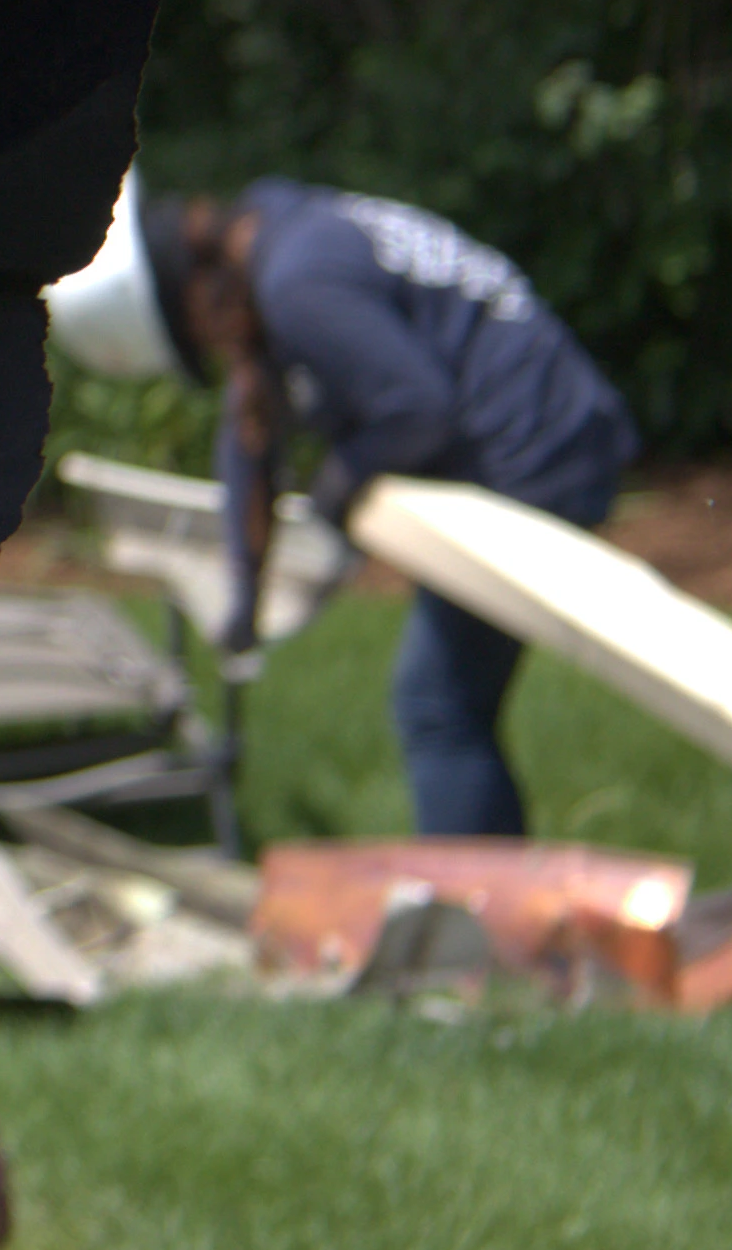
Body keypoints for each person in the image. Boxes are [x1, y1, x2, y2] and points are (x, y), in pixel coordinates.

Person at [54, 168, 644, 838]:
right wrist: (245, 598)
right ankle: (489, 902)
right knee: (448, 702)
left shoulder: (296, 284)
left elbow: (419, 413)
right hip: (556, 432)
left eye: (198, 339)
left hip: (537, 457)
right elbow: (250, 424)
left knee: (437, 706)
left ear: (195, 290)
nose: (219, 351)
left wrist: (335, 494)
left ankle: (478, 929)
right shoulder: (276, 223)